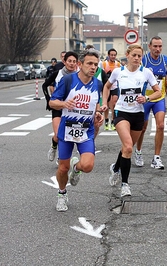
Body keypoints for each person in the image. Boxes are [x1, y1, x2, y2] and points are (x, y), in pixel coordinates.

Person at [101, 44, 162, 197]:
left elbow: (158, 92)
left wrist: (146, 98)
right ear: (127, 55)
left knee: (127, 148)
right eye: (134, 55)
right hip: (121, 113)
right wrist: (104, 103)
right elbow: (106, 87)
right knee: (128, 147)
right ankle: (125, 185)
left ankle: (115, 167)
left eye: (139, 56)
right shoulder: (118, 72)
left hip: (138, 114)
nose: (136, 58)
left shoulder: (146, 72)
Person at [49, 49, 104, 212]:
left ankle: (77, 168)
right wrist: (64, 104)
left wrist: (99, 114)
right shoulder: (67, 80)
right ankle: (62, 193)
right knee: (62, 168)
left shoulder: (98, 83)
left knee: (87, 166)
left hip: (86, 130)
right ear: (80, 65)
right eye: (89, 64)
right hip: (67, 129)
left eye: (95, 64)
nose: (93, 67)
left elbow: (96, 104)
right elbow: (53, 102)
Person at [135, 36, 167, 169]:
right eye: (155, 46)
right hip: (144, 99)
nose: (158, 49)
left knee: (161, 126)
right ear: (149, 46)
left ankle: (156, 157)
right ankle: (138, 151)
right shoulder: (143, 60)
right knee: (142, 128)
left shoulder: (165, 60)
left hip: (159, 97)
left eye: (160, 46)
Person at [43, 52, 79, 164]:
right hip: (58, 107)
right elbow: (45, 85)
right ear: (64, 62)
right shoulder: (57, 73)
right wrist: (49, 100)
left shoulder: (79, 75)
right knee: (58, 135)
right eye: (69, 61)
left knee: (68, 135)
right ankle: (54, 146)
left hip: (72, 109)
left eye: (74, 62)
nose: (72, 64)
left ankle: (61, 157)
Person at [102, 48, 121, 131]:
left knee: (114, 103)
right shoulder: (104, 64)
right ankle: (106, 121)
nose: (113, 56)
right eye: (111, 55)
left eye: (114, 55)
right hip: (107, 86)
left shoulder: (118, 64)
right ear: (108, 55)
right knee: (107, 104)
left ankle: (113, 122)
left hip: (115, 86)